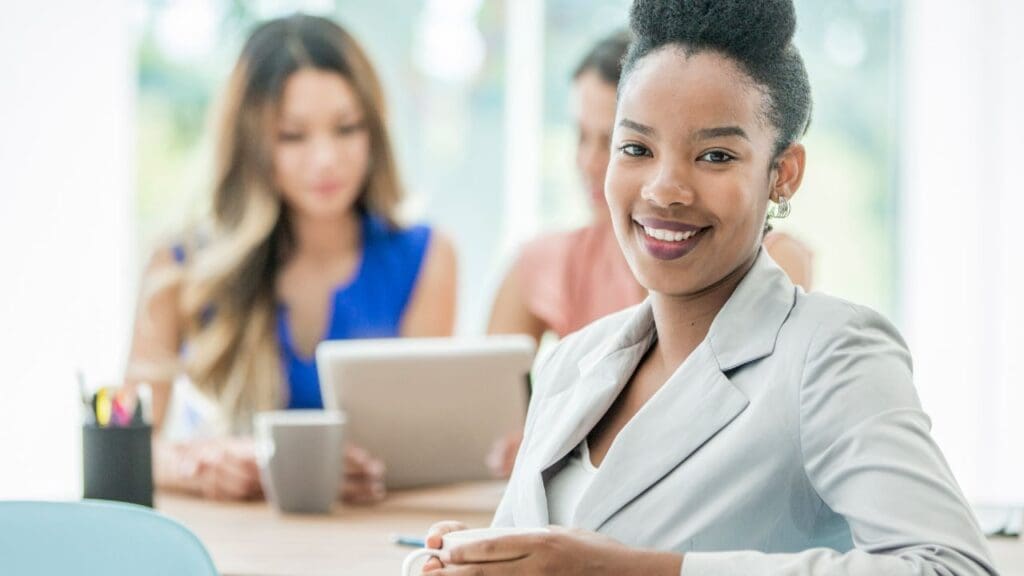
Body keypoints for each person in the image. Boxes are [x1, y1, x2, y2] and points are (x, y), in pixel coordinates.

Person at [422, 1, 995, 574]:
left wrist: (636, 571)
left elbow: (954, 568)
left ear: (783, 173)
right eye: (637, 148)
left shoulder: (832, 355)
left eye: (715, 156)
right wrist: (467, 559)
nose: (665, 189)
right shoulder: (570, 365)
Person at [123, 14, 457, 503]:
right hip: (228, 542)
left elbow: (420, 448)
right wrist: (199, 465)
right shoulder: (179, 263)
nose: (325, 159)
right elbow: (125, 444)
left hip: (364, 543)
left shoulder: (427, 257)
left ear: (374, 132)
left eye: (346, 128)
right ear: (251, 145)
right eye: (292, 136)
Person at [485, 29, 814, 478]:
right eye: (633, 147)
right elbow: (487, 425)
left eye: (713, 155)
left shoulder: (772, 267)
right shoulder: (542, 266)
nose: (587, 161)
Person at [487, 31, 812, 344]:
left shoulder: (773, 263)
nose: (588, 163)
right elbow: (486, 386)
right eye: (582, 137)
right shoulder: (547, 261)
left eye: (611, 141)